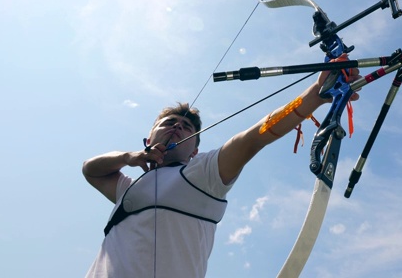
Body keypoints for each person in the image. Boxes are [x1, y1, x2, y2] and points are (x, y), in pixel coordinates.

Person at [82, 70, 360, 277]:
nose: (178, 127)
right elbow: (90, 170)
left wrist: (315, 95)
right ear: (149, 137)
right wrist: (128, 157)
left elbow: (255, 136)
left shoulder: (201, 173)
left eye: (187, 128)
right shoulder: (128, 188)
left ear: (194, 151)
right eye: (169, 122)